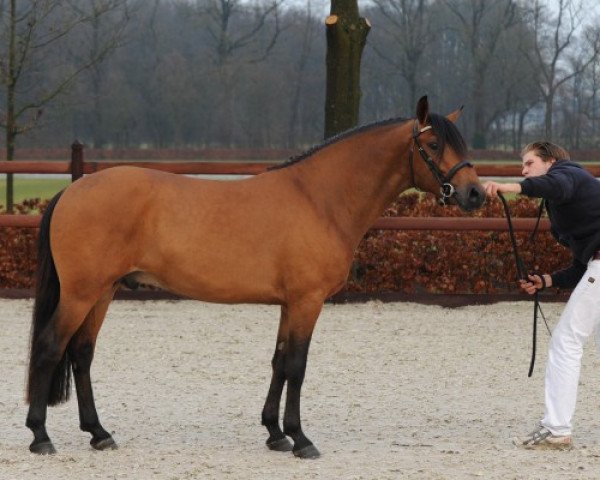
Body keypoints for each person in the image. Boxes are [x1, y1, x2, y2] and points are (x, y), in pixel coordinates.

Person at [484, 141, 600, 450]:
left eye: (529, 163)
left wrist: (510, 186)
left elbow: (553, 185)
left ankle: (556, 429)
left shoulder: (567, 175)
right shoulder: (569, 194)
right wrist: (547, 281)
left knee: (566, 341)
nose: (523, 170)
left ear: (549, 162)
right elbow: (582, 265)